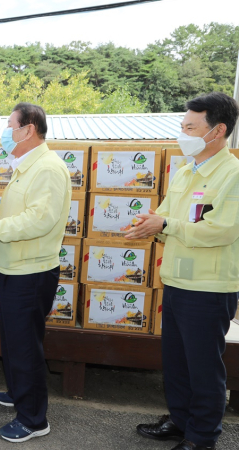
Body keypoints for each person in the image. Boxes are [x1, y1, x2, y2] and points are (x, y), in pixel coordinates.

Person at [126, 92, 239, 450]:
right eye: (182, 126)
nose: (183, 133)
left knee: (204, 366)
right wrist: (148, 224)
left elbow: (221, 229)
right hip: (176, 279)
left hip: (209, 286)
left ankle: (202, 437)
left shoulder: (232, 174)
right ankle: (180, 420)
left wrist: (166, 224)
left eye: (191, 126)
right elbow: (165, 215)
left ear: (217, 130)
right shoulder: (187, 169)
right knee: (176, 361)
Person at [0, 102, 71, 443]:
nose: (5, 132)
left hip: (31, 271)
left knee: (25, 346)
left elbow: (40, 219)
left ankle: (33, 418)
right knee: (14, 341)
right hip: (13, 266)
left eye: (10, 125)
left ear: (28, 129)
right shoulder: (27, 166)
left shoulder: (48, 169)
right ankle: (19, 392)